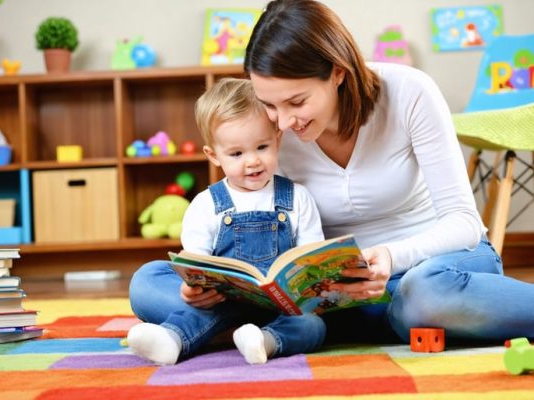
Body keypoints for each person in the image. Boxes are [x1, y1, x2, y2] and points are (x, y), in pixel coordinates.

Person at [241, 0, 534, 344]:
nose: (284, 123)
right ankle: (401, 321)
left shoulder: (410, 92)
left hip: (438, 266)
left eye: (297, 102)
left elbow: (464, 223)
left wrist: (393, 257)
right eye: (269, 105)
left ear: (338, 72)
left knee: (422, 295)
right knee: (161, 280)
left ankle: (406, 317)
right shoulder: (269, 128)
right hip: (348, 292)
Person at [127, 77, 326, 365]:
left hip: (280, 310)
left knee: (314, 325)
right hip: (219, 304)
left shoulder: (298, 198)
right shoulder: (206, 204)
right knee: (146, 279)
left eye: (261, 147)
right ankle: (171, 340)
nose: (252, 161)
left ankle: (263, 341)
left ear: (277, 139)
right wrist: (192, 290)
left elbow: (311, 258)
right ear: (214, 155)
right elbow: (194, 263)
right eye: (236, 153)